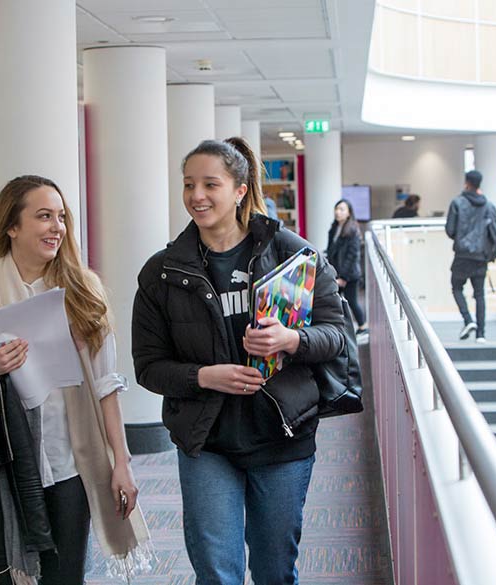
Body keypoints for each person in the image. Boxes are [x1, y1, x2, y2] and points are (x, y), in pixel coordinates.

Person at [132, 138, 346, 585]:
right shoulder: (163, 272)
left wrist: (292, 339)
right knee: (216, 573)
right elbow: (149, 366)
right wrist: (204, 376)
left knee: (274, 570)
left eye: (211, 184)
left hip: (281, 435)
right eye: (189, 184)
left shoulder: (293, 255)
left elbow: (337, 337)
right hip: (207, 441)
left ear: (240, 189)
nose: (197, 196)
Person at [0, 176, 150, 584]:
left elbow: (106, 386)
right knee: (6, 576)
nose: (57, 227)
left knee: (64, 576)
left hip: (68, 463)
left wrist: (122, 463)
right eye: (44, 216)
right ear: (12, 226)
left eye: (61, 217)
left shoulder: (82, 289)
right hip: (1, 463)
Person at [445, 170, 496, 344]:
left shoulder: (457, 203)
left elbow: (450, 230)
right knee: (479, 294)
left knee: (456, 287)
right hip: (481, 256)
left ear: (466, 183)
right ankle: (481, 334)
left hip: (462, 255)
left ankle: (468, 320)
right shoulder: (489, 206)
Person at [327, 199, 368, 333]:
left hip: (349, 275)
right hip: (337, 273)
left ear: (349, 213)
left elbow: (352, 256)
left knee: (352, 301)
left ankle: (363, 326)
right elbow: (331, 250)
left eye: (342, 209)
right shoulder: (334, 228)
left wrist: (343, 277)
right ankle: (339, 328)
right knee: (334, 302)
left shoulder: (352, 230)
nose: (338, 212)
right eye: (337, 208)